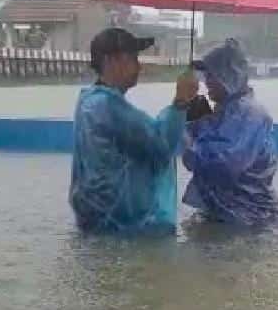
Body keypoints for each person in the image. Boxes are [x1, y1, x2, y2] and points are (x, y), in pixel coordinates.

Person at [69, 27, 190, 234]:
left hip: (95, 221)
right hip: (121, 226)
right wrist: (180, 103)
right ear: (111, 61)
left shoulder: (88, 101)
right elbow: (159, 145)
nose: (139, 67)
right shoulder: (108, 106)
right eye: (133, 58)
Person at [181, 38, 278, 226]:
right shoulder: (224, 112)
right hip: (222, 214)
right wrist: (192, 118)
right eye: (205, 75)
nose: (206, 82)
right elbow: (208, 139)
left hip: (249, 220)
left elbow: (224, 165)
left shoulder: (249, 114)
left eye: (212, 76)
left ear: (230, 76)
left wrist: (188, 145)